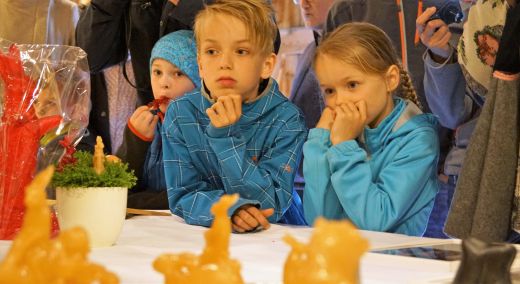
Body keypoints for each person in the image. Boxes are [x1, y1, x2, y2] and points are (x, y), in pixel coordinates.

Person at [162, 0, 307, 232]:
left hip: (277, 240)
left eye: (241, 51)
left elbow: (271, 204)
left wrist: (225, 137)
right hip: (207, 236)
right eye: (212, 51)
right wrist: (230, 209)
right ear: (200, 64)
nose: (224, 63)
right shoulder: (180, 113)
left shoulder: (287, 120)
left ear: (266, 65)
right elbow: (183, 195)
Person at [303, 22, 439, 236]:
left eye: (352, 85)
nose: (339, 100)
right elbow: (320, 221)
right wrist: (319, 143)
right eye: (329, 90)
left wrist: (345, 148)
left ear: (390, 79)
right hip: (346, 260)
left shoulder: (418, 141)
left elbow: (376, 222)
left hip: (396, 266)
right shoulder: (343, 134)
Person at [116, 30, 200, 209]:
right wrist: (136, 141)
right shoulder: (147, 122)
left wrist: (132, 203)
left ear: (199, 80)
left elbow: (188, 195)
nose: (164, 83)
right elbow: (119, 186)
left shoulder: (207, 127)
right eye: (157, 72)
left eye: (178, 73)